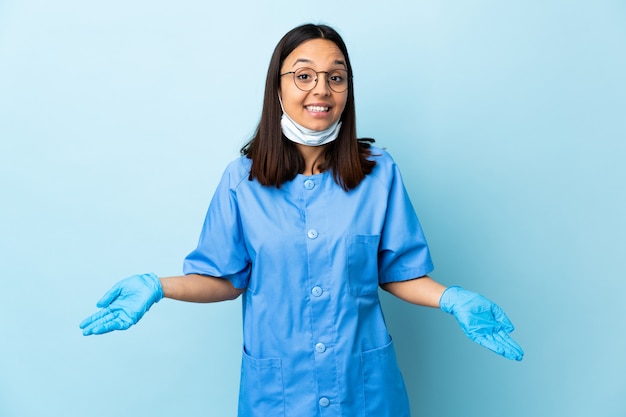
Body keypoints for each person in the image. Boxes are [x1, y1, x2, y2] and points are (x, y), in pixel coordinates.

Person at [80, 23, 524, 417]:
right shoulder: (241, 182)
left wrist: (454, 299)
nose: (322, 89)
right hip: (279, 395)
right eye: (304, 75)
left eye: (336, 77)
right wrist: (159, 286)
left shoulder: (379, 172)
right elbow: (225, 278)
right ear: (277, 86)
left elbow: (398, 273)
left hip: (364, 392)